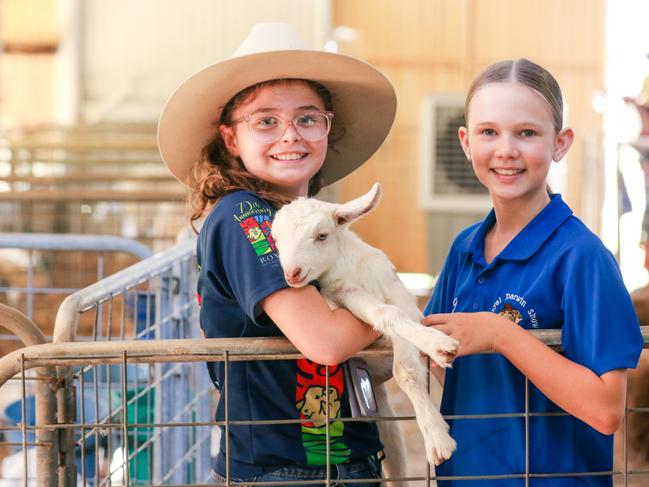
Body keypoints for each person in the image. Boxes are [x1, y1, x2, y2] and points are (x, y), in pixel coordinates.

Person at [157, 23, 396, 485]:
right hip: (284, 470)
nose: (290, 135)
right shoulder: (246, 216)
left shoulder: (305, 221)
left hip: (335, 458)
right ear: (231, 139)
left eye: (307, 119)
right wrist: (388, 301)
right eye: (266, 121)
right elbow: (325, 342)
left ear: (327, 127)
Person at [422, 58, 643, 486]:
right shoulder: (463, 249)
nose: (506, 149)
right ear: (466, 143)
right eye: (489, 132)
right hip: (468, 475)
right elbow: (438, 357)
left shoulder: (581, 257)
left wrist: (501, 335)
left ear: (560, 143)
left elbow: (606, 410)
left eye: (527, 133)